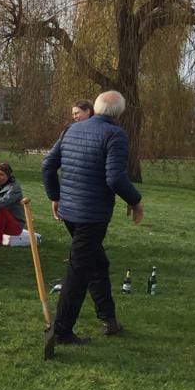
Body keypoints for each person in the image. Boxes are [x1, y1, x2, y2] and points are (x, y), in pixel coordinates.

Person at [41, 90, 143, 344]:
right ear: (119, 112)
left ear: (96, 108)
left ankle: (109, 319)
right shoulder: (115, 134)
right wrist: (135, 200)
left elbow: (47, 165)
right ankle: (61, 331)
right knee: (79, 270)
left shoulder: (71, 130)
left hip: (71, 214)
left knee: (97, 263)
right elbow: (116, 178)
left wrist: (56, 196)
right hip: (92, 215)